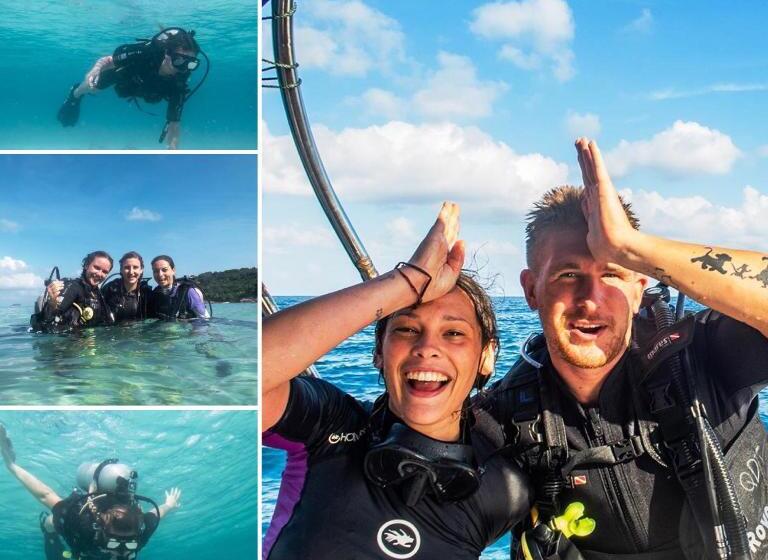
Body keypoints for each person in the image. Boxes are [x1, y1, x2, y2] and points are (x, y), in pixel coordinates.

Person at [478, 138, 768, 559]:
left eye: (612, 273)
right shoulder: (504, 418)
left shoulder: (704, 357)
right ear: (530, 290)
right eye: (567, 274)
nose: (590, 299)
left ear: (639, 289)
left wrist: (632, 247)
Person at [262, 203, 531, 559]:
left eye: (453, 333)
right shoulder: (329, 426)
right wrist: (407, 282)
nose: (427, 348)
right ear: (379, 352)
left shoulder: (505, 489)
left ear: (486, 357)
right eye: (406, 329)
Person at [0, 425, 181, 559]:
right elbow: (45, 495)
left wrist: (170, 505)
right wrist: (12, 466)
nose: (121, 550)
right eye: (115, 542)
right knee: (49, 522)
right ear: (100, 529)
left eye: (129, 543)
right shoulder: (81, 521)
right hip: (87, 514)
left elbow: (155, 514)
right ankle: (50, 529)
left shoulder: (140, 532)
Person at [56, 28, 207, 149]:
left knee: (155, 99)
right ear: (167, 54)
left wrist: (173, 151)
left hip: (149, 87)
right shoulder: (145, 53)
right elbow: (108, 60)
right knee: (93, 87)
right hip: (126, 76)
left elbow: (174, 123)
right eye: (179, 61)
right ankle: (75, 94)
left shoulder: (179, 81)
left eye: (191, 64)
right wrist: (94, 71)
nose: (184, 69)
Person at [31, 251, 115, 333]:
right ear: (86, 265)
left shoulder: (97, 294)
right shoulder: (73, 287)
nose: (100, 274)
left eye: (105, 272)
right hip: (66, 342)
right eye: (96, 267)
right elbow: (48, 323)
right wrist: (52, 304)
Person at [149, 255, 210, 320]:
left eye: (164, 270)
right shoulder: (155, 294)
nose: (160, 274)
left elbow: (205, 321)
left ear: (173, 270)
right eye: (155, 271)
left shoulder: (188, 292)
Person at [101, 252, 152, 323]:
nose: (131, 272)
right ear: (121, 270)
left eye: (135, 267)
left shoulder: (147, 293)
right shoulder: (109, 290)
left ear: (141, 270)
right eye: (127, 267)